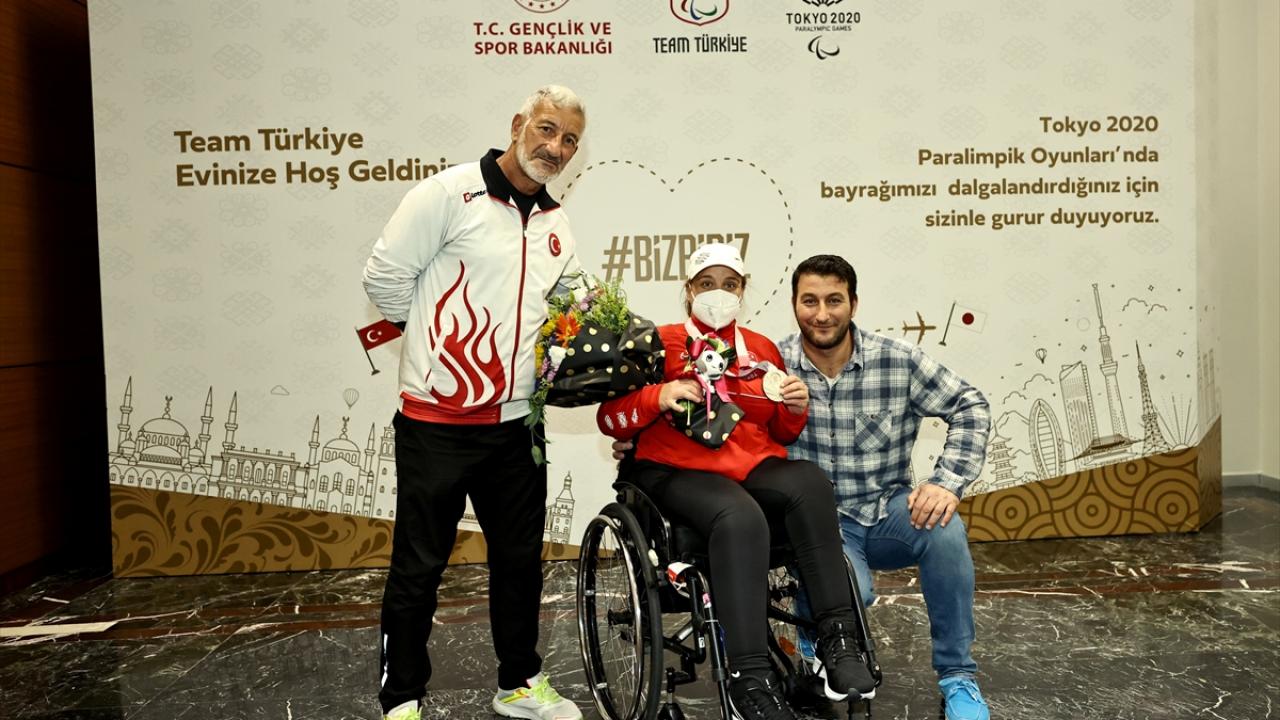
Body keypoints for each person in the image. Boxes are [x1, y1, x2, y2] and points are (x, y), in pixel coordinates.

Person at [362, 85, 588, 720]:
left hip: (516, 427)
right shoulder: (447, 193)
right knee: (419, 568)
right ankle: (401, 697)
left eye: (570, 139)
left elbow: (570, 303)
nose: (555, 147)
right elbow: (384, 277)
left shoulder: (556, 222)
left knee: (519, 565)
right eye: (547, 129)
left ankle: (519, 683)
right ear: (518, 125)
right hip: (435, 425)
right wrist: (433, 349)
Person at [597, 243, 875, 720]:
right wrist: (658, 395)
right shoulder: (657, 342)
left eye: (729, 284)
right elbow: (610, 419)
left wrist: (794, 407)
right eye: (707, 283)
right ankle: (750, 678)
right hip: (674, 470)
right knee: (739, 515)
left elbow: (781, 433)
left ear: (743, 290)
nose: (718, 293)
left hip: (747, 465)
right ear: (689, 289)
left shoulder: (761, 349)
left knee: (810, 482)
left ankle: (839, 640)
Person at [777, 254, 992, 720]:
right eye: (809, 301)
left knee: (946, 531)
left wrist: (947, 482)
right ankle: (816, 641)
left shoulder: (897, 359)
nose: (822, 314)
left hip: (887, 512)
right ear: (794, 305)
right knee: (852, 593)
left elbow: (970, 405)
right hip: (817, 527)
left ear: (853, 304)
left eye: (834, 300)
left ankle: (958, 676)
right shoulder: (773, 367)